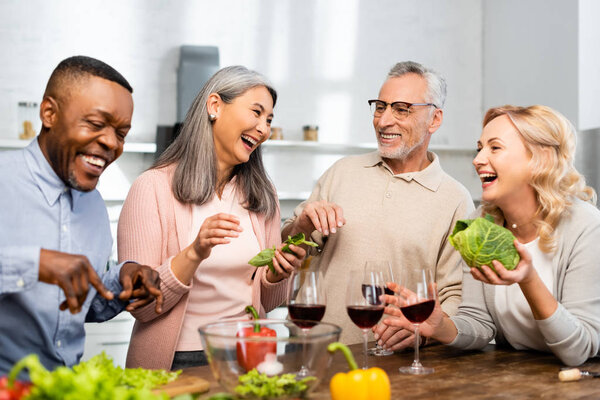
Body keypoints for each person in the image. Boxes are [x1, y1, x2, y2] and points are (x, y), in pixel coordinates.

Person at [118, 65, 305, 370]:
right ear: (215, 106)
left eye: (269, 119)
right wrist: (195, 252)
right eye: (256, 112)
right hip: (177, 362)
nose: (263, 128)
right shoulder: (152, 188)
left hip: (250, 356)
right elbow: (141, 305)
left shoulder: (262, 193)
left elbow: (269, 303)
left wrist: (276, 276)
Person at [384, 105, 600, 366]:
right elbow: (479, 322)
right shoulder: (479, 225)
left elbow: (579, 350)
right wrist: (440, 326)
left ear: (539, 159)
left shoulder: (586, 226)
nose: (478, 159)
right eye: (480, 148)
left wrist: (528, 279)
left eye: (495, 148)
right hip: (519, 377)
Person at [281, 61, 474, 346]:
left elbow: (456, 297)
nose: (383, 121)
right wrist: (302, 225)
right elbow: (285, 247)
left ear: (434, 119)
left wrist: (422, 334)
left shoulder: (456, 200)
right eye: (380, 107)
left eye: (401, 109)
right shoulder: (342, 171)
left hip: (394, 365)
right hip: (311, 351)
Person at [0, 56, 163, 376]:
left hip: (64, 387)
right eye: (96, 123)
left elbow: (84, 307)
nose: (111, 142)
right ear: (49, 113)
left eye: (121, 132)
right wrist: (37, 264)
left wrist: (123, 280)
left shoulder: (94, 206)